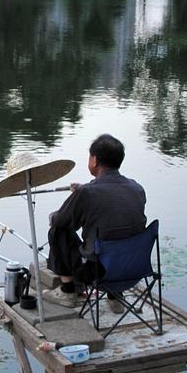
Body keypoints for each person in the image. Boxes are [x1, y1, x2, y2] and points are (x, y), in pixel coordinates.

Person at [42, 134, 147, 313]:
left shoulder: (87, 193)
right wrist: (83, 192)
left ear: (95, 160)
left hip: (97, 274)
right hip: (133, 269)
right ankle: (115, 295)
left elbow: (61, 220)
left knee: (58, 230)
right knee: (119, 235)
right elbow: (110, 203)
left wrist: (76, 197)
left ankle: (67, 291)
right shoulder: (137, 188)